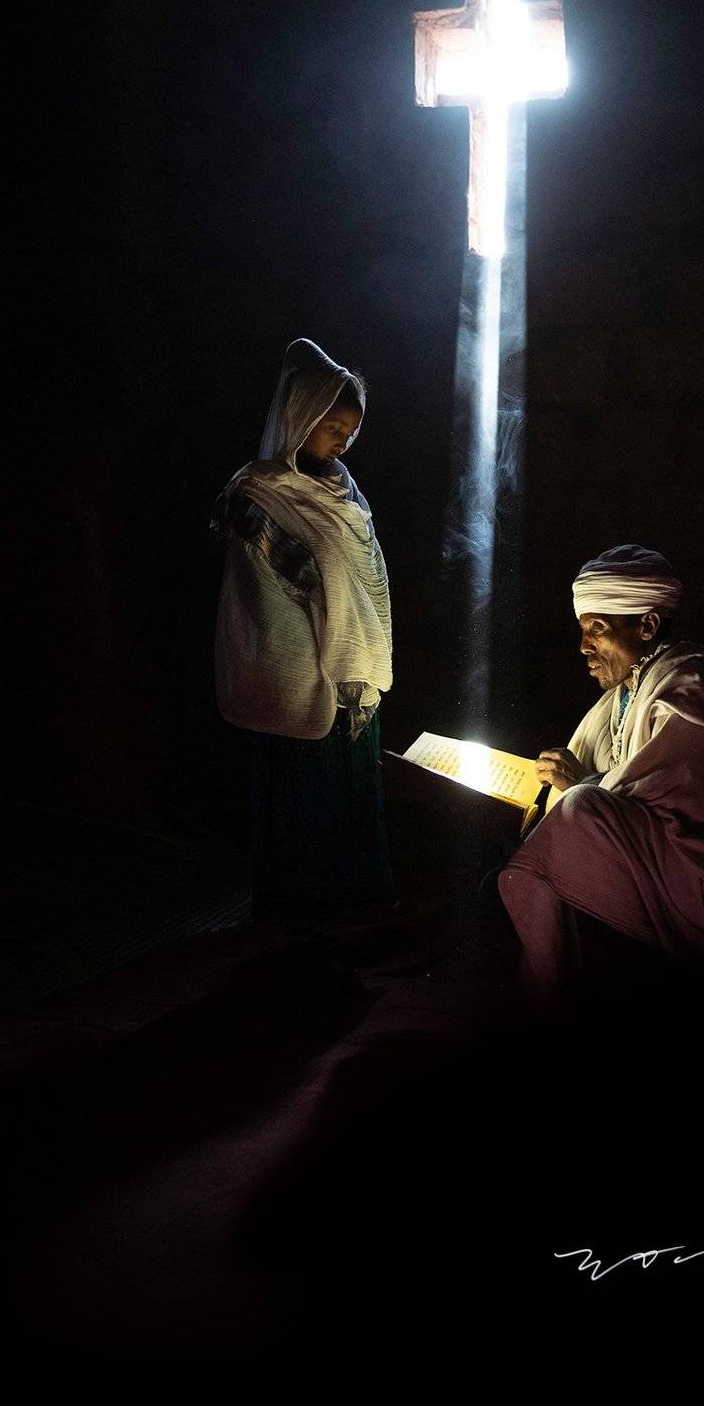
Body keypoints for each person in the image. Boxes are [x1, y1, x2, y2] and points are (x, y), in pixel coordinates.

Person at [497, 545, 704, 1012]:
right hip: (656, 867)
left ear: (647, 626)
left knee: (577, 810)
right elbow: (598, 786)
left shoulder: (692, 688)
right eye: (582, 631)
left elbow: (671, 812)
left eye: (597, 629)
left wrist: (576, 789)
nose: (584, 646)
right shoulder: (620, 696)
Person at [211, 337, 396, 952]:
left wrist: (359, 655)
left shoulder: (346, 492)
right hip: (295, 682)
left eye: (351, 430)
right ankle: (292, 941)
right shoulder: (257, 493)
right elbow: (280, 589)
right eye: (332, 427)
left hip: (351, 686)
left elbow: (366, 580)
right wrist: (328, 647)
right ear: (299, 419)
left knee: (347, 812)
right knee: (302, 815)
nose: (343, 441)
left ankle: (348, 931)